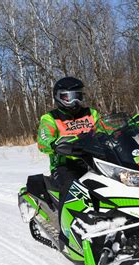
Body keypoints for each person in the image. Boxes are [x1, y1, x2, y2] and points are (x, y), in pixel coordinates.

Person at [37, 77, 108, 218]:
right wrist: (55, 144)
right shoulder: (50, 118)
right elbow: (43, 140)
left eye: (78, 96)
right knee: (71, 188)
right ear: (58, 97)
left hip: (94, 160)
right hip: (65, 164)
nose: (75, 101)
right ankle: (65, 232)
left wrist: (122, 132)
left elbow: (105, 129)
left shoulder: (91, 113)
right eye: (69, 97)